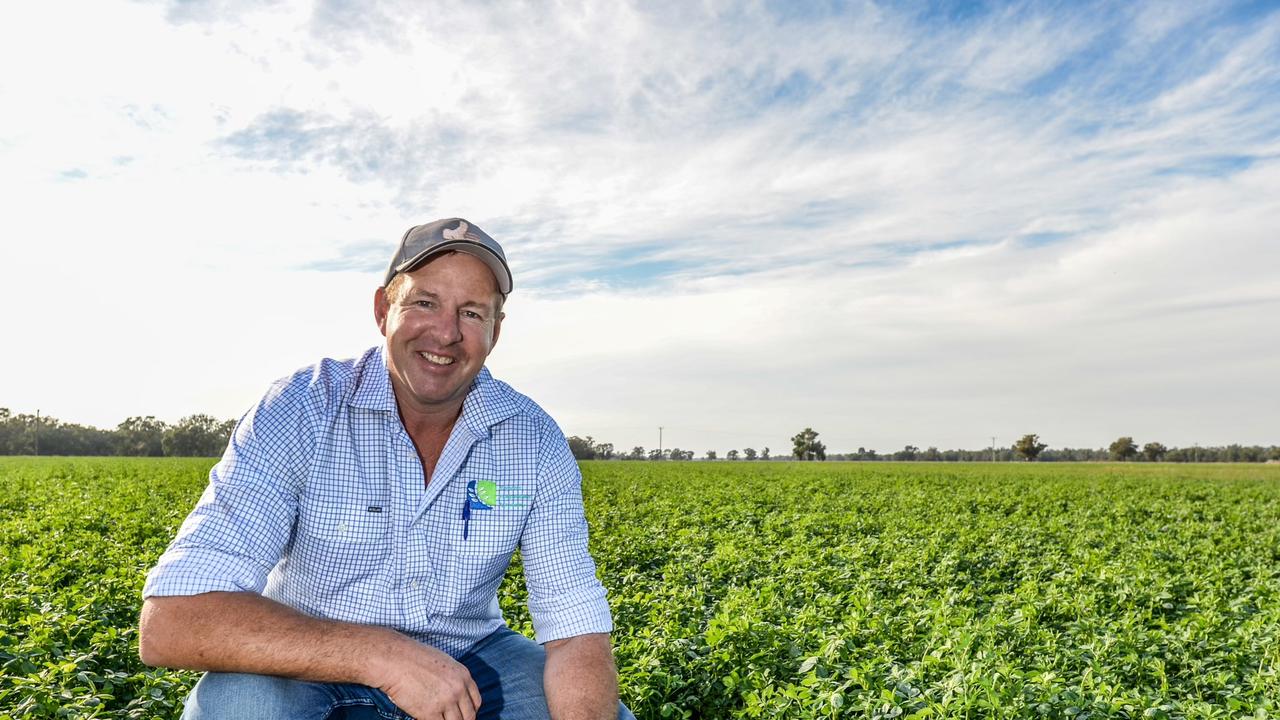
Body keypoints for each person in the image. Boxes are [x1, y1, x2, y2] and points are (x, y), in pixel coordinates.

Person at [139, 218, 634, 720]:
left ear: (494, 332)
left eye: (470, 313)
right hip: (306, 660)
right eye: (424, 302)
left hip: (470, 658)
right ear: (383, 310)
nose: (445, 333)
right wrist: (380, 655)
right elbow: (174, 619)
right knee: (240, 709)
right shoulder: (303, 409)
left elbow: (574, 628)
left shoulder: (532, 440)